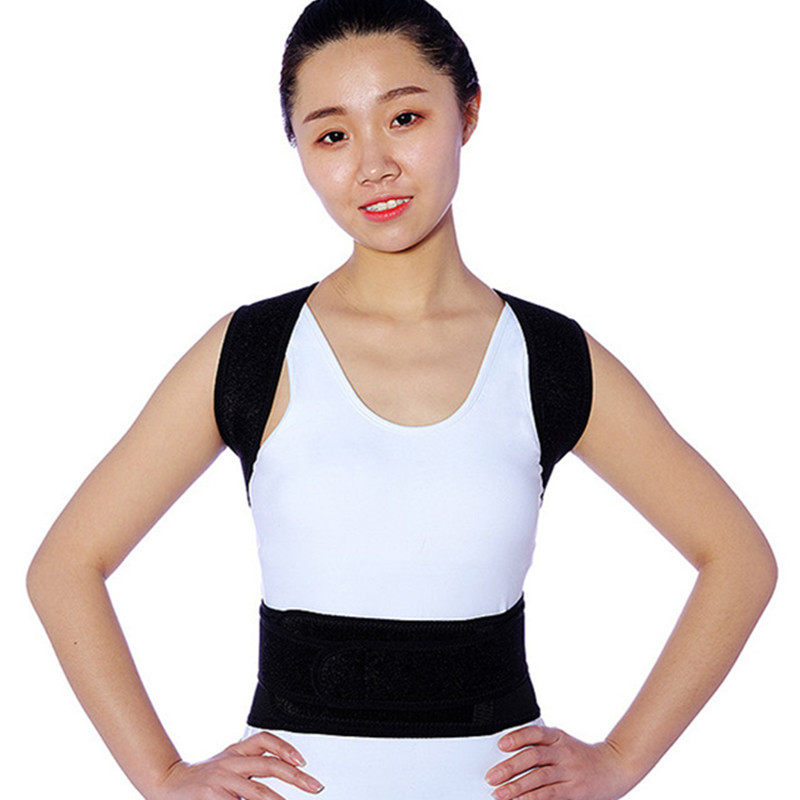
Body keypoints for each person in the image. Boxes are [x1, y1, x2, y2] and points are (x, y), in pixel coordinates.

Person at [26, 1, 778, 799]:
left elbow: (738, 559)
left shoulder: (548, 358)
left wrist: (621, 761)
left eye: (405, 118)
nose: (373, 165)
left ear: (469, 113)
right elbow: (65, 566)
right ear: (299, 150)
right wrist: (164, 777)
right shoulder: (255, 351)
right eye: (332, 135)